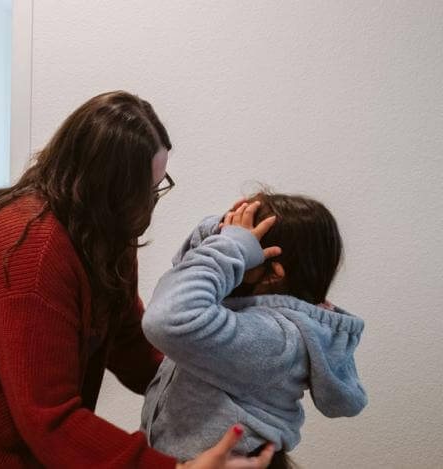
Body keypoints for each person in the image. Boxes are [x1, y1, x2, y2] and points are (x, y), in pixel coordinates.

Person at [0, 91, 274, 468]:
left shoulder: (105, 232)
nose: (152, 201)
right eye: (148, 190)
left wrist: (219, 389)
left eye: (157, 186)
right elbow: (50, 420)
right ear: (109, 190)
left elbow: (130, 341)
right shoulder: (33, 251)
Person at [141, 194, 368, 468]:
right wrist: (217, 232)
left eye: (245, 249)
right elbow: (186, 272)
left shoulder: (278, 337)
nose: (233, 250)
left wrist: (229, 247)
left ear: (273, 273)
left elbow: (167, 316)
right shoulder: (242, 313)